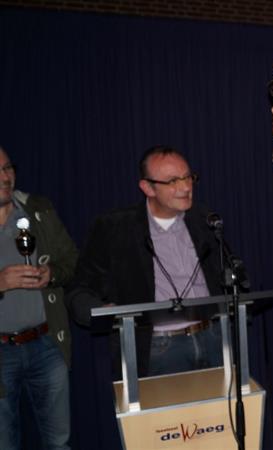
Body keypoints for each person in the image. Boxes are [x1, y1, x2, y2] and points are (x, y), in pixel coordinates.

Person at [67, 146, 228, 379]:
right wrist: (101, 312)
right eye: (172, 181)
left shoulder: (205, 219)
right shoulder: (116, 228)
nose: (185, 187)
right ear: (147, 188)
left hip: (212, 338)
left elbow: (228, 275)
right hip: (158, 349)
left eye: (188, 177)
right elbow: (79, 290)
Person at [0, 146, 78, 450]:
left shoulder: (37, 209)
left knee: (59, 443)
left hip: (46, 344)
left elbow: (71, 260)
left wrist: (52, 273)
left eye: (8, 168)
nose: (5, 177)